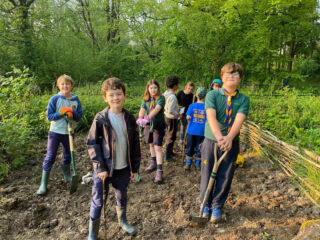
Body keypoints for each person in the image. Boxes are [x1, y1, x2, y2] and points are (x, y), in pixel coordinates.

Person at [87, 77, 141, 238]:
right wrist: (100, 167)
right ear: (105, 97)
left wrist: (134, 168)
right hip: (104, 170)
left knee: (121, 195)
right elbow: (92, 144)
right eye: (111, 95)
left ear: (124, 95)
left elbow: (135, 145)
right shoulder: (100, 119)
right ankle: (93, 233)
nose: (115, 98)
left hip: (123, 168)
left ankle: (123, 221)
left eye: (118, 94)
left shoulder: (130, 118)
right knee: (98, 200)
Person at [200, 63, 249, 222]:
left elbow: (238, 121)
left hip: (231, 143)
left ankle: (217, 207)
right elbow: (211, 117)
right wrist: (219, 136)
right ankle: (205, 205)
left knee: (226, 176)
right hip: (211, 140)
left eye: (235, 74)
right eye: (228, 74)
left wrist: (228, 138)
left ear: (240, 78)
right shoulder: (212, 95)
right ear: (222, 77)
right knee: (207, 173)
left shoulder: (243, 100)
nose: (231, 77)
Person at [37, 74, 83, 195]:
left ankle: (67, 175)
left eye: (67, 84)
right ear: (58, 86)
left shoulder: (75, 99)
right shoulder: (55, 99)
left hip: (69, 132)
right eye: (62, 84)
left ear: (71, 86)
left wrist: (72, 113)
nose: (65, 86)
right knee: (50, 156)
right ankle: (43, 184)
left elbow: (79, 116)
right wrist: (61, 113)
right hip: (55, 132)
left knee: (67, 154)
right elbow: (49, 116)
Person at [137, 79, 166, 184]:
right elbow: (142, 109)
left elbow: (157, 109)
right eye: (151, 88)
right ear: (148, 89)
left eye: (155, 88)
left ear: (158, 88)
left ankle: (159, 170)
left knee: (158, 147)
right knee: (151, 144)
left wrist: (147, 117)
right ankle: (153, 162)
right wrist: (140, 117)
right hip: (148, 125)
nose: (153, 90)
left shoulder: (161, 98)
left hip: (158, 125)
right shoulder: (145, 99)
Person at [184, 87, 206, 171]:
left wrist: (189, 118)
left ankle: (188, 163)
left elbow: (188, 117)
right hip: (201, 132)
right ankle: (197, 164)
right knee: (199, 148)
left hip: (191, 131)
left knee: (189, 147)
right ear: (205, 97)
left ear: (196, 95)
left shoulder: (192, 106)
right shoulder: (206, 107)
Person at [163, 75, 180, 162]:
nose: (178, 86)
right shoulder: (173, 96)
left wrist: (177, 107)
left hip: (166, 117)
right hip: (171, 118)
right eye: (177, 84)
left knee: (170, 134)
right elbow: (170, 110)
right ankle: (167, 155)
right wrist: (178, 114)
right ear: (175, 86)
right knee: (171, 136)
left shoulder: (165, 93)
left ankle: (170, 151)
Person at [176, 82, 195, 146]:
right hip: (179, 112)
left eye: (191, 89)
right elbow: (174, 102)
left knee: (186, 126)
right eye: (189, 88)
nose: (190, 90)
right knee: (182, 126)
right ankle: (181, 140)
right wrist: (178, 106)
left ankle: (184, 140)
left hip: (188, 113)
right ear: (186, 87)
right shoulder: (180, 93)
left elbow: (193, 105)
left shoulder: (192, 96)